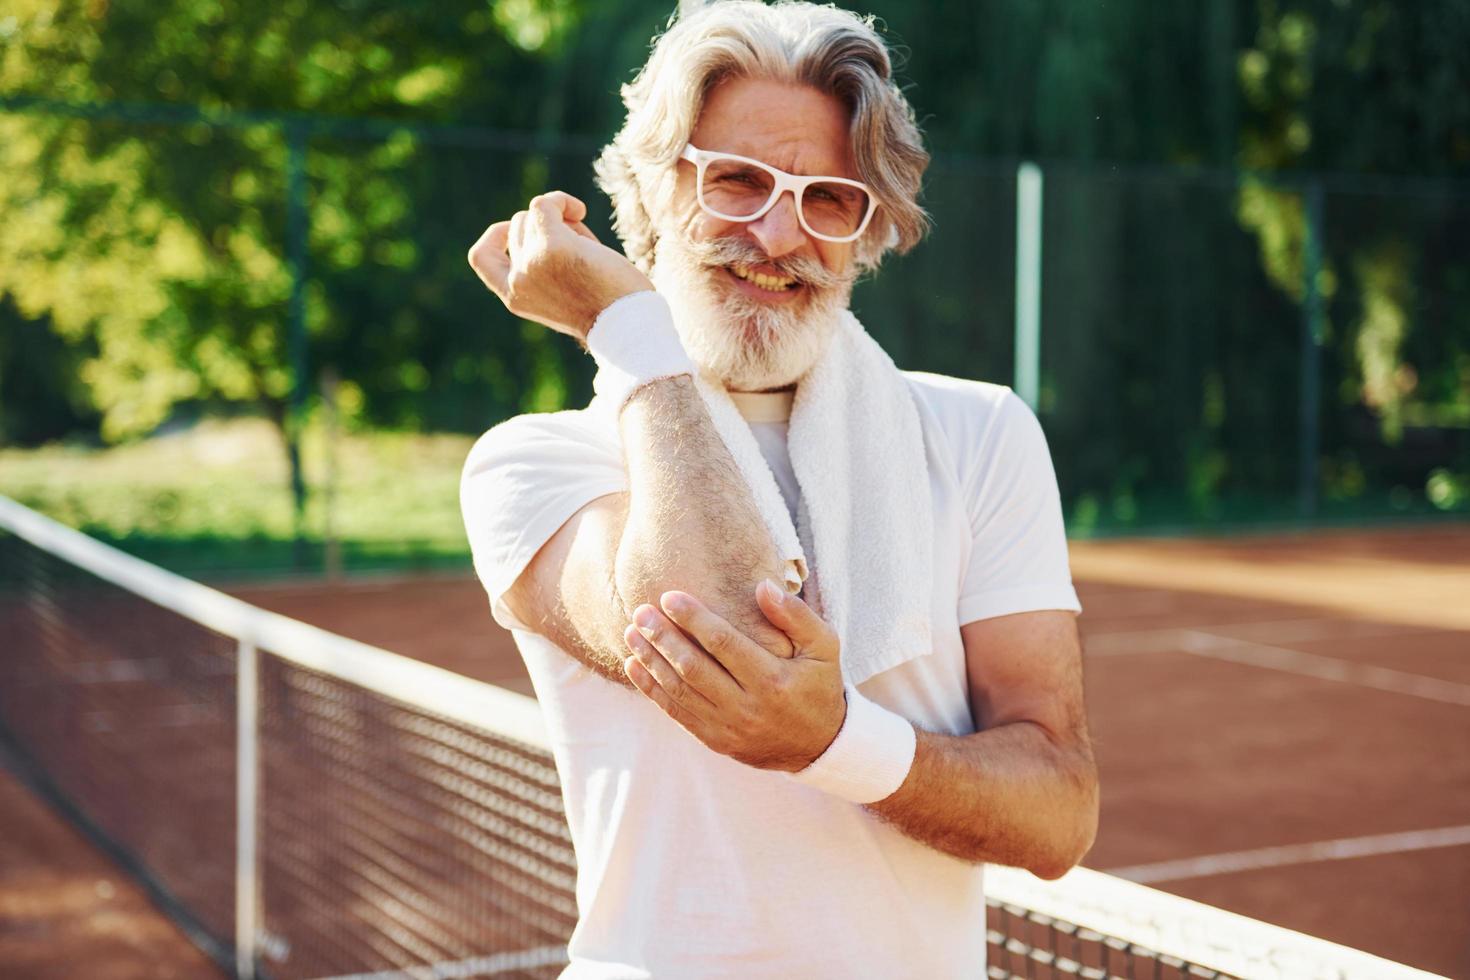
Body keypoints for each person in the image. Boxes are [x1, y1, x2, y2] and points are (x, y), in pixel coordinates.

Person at [461, 2, 1098, 977]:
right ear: (652, 186)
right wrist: (631, 329)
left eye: (826, 198)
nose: (776, 234)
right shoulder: (537, 460)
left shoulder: (981, 435)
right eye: (737, 181)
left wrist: (836, 739)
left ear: (864, 226)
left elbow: (1057, 811)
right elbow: (724, 636)